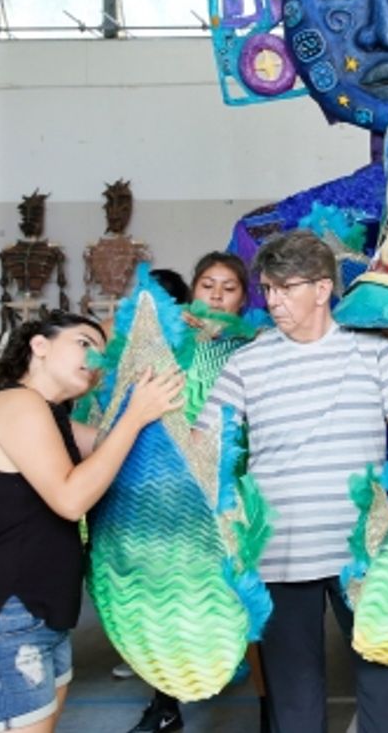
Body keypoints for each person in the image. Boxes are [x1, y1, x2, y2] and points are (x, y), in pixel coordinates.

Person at [196, 230, 388, 733]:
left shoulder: (375, 354)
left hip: (363, 549)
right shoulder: (245, 362)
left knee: (385, 692)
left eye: (284, 288)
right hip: (278, 550)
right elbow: (203, 446)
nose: (273, 301)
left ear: (322, 289)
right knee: (294, 702)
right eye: (267, 290)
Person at [0, 312, 184, 733]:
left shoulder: (54, 418)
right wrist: (136, 415)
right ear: (39, 345)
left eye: (102, 351)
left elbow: (118, 449)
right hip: (0, 619)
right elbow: (71, 498)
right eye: (84, 342)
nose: (96, 357)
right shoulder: (16, 403)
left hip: (41, 616)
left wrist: (165, 344)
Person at [123, 252, 258, 733]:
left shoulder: (257, 345)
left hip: (236, 485)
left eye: (229, 287)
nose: (217, 294)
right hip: (173, 486)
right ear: (193, 291)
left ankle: (271, 707)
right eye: (208, 284)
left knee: (245, 592)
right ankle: (165, 704)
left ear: (245, 299)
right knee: (173, 592)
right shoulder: (168, 343)